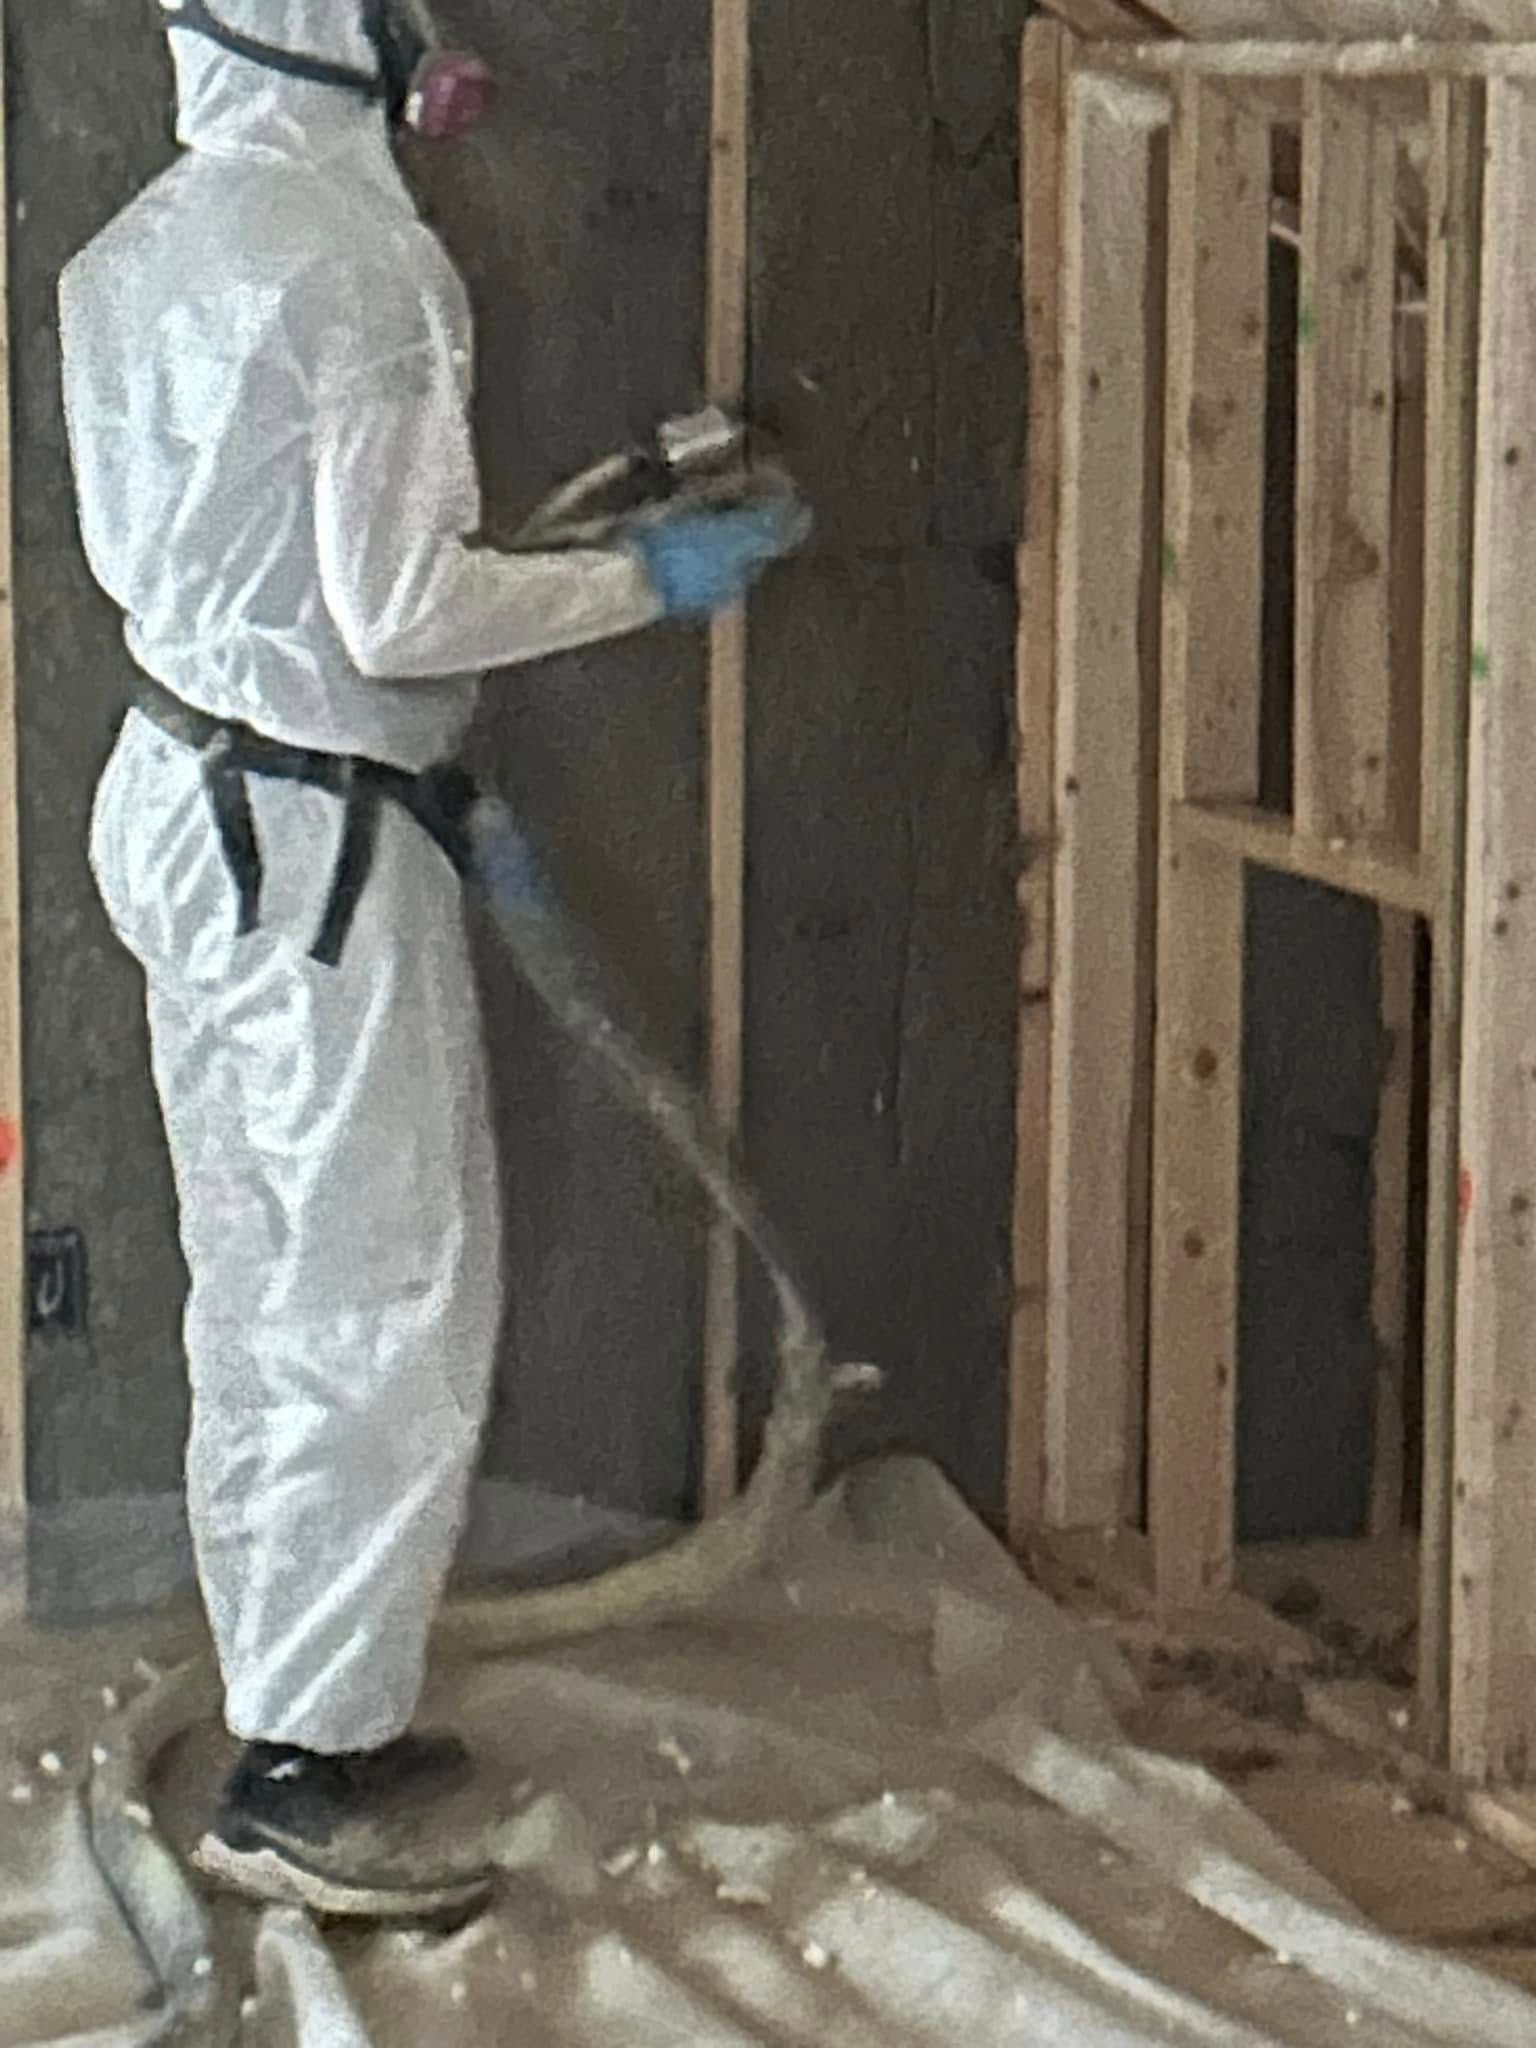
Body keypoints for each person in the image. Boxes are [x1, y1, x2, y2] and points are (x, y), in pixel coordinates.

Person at [58, 0, 796, 1921]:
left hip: (189, 794)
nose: (434, 46)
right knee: (384, 1281)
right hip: (303, 841)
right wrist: (652, 579)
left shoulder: (135, 246)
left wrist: (422, 776)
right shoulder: (368, 264)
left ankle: (301, 1696)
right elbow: (394, 608)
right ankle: (306, 1776)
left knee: (266, 1272)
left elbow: (275, 596)